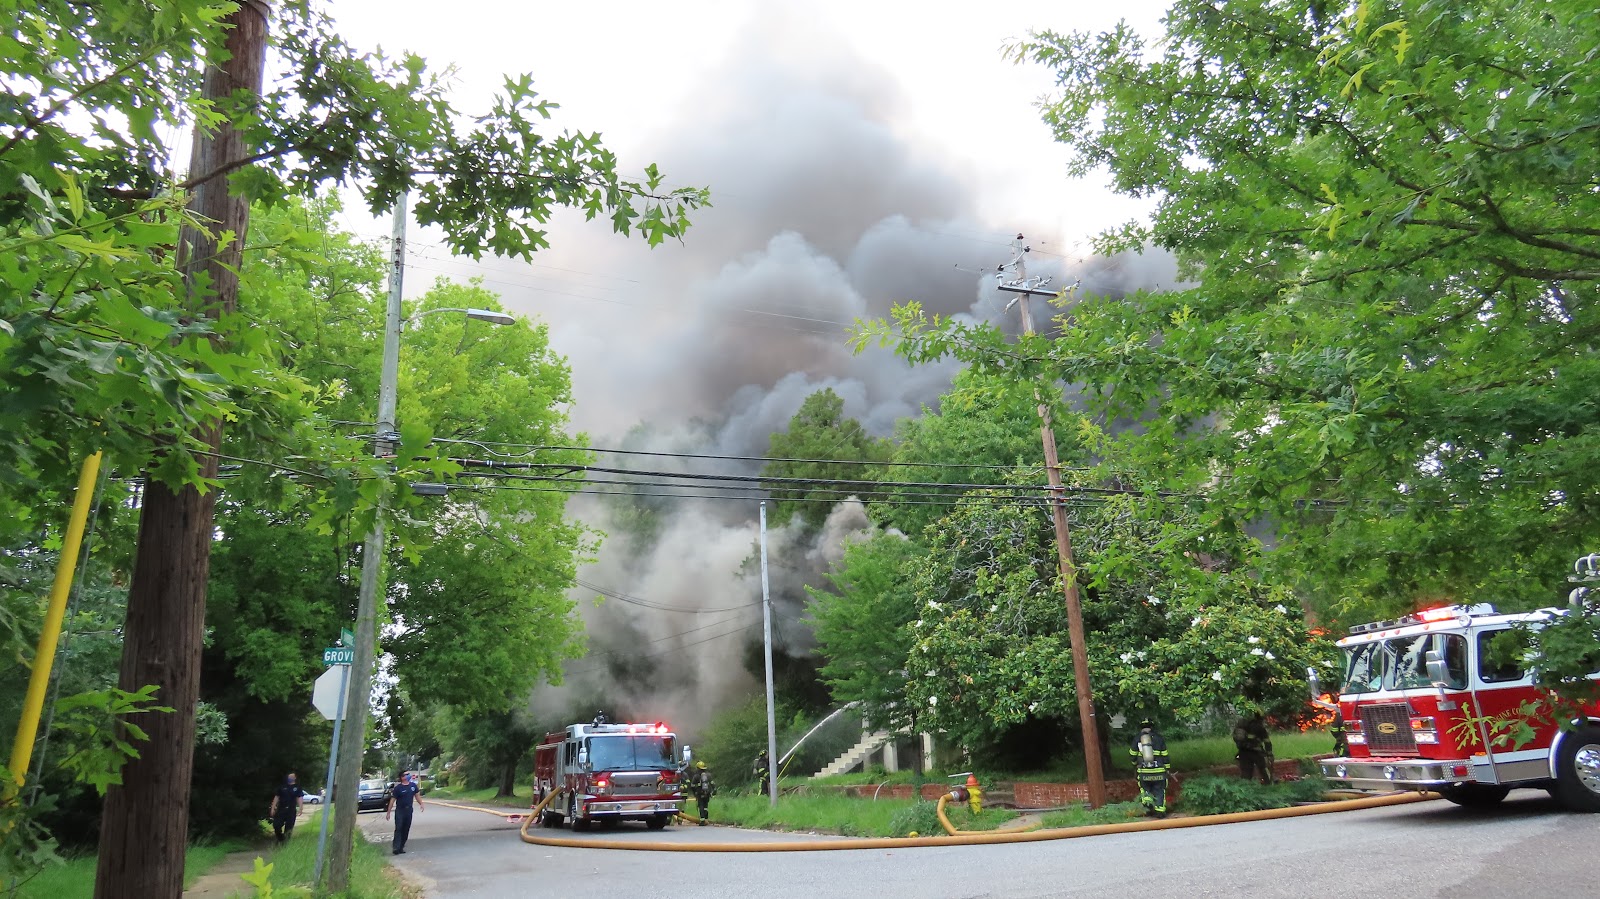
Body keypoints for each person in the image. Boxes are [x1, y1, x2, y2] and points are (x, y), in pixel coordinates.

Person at [1128, 719, 1171, 817]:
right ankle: (1160, 811)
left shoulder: (1137, 739)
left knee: (1145, 789)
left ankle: (1148, 808)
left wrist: (1135, 765)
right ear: (1152, 727)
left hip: (1144, 772)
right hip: (1159, 772)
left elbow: (1132, 754)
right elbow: (1165, 755)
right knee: (1160, 790)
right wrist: (1167, 768)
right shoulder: (1159, 738)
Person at [386, 769, 425, 854]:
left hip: (409, 810)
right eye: (406, 774)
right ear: (402, 777)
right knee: (399, 828)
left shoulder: (413, 786)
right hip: (400, 810)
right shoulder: (398, 788)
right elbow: (392, 801)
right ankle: (396, 847)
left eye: (408, 774)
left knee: (406, 829)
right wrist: (388, 812)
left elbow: (417, 796)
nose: (408, 775)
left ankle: (401, 847)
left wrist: (421, 804)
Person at [1233, 713, 1274, 785]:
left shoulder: (1242, 725)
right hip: (1256, 752)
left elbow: (1236, 738)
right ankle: (1269, 786)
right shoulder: (1259, 727)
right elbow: (1267, 742)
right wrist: (1269, 754)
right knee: (1264, 769)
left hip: (1243, 752)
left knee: (1246, 772)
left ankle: (1245, 789)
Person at [268, 772, 305, 843]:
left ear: (295, 778)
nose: (290, 778)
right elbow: (277, 797)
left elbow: (299, 798)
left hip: (291, 810)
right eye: (289, 777)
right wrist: (273, 807)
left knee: (289, 828)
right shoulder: (282, 787)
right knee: (276, 825)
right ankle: (280, 838)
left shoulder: (297, 787)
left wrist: (301, 808)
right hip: (281, 809)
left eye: (291, 777)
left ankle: (285, 844)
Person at [687, 760, 715, 825]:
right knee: (706, 806)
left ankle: (702, 820)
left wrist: (695, 793)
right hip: (707, 793)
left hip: (699, 793)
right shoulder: (708, 775)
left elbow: (692, 786)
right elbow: (712, 784)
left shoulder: (696, 776)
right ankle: (706, 819)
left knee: (701, 806)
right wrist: (713, 790)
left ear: (698, 768)